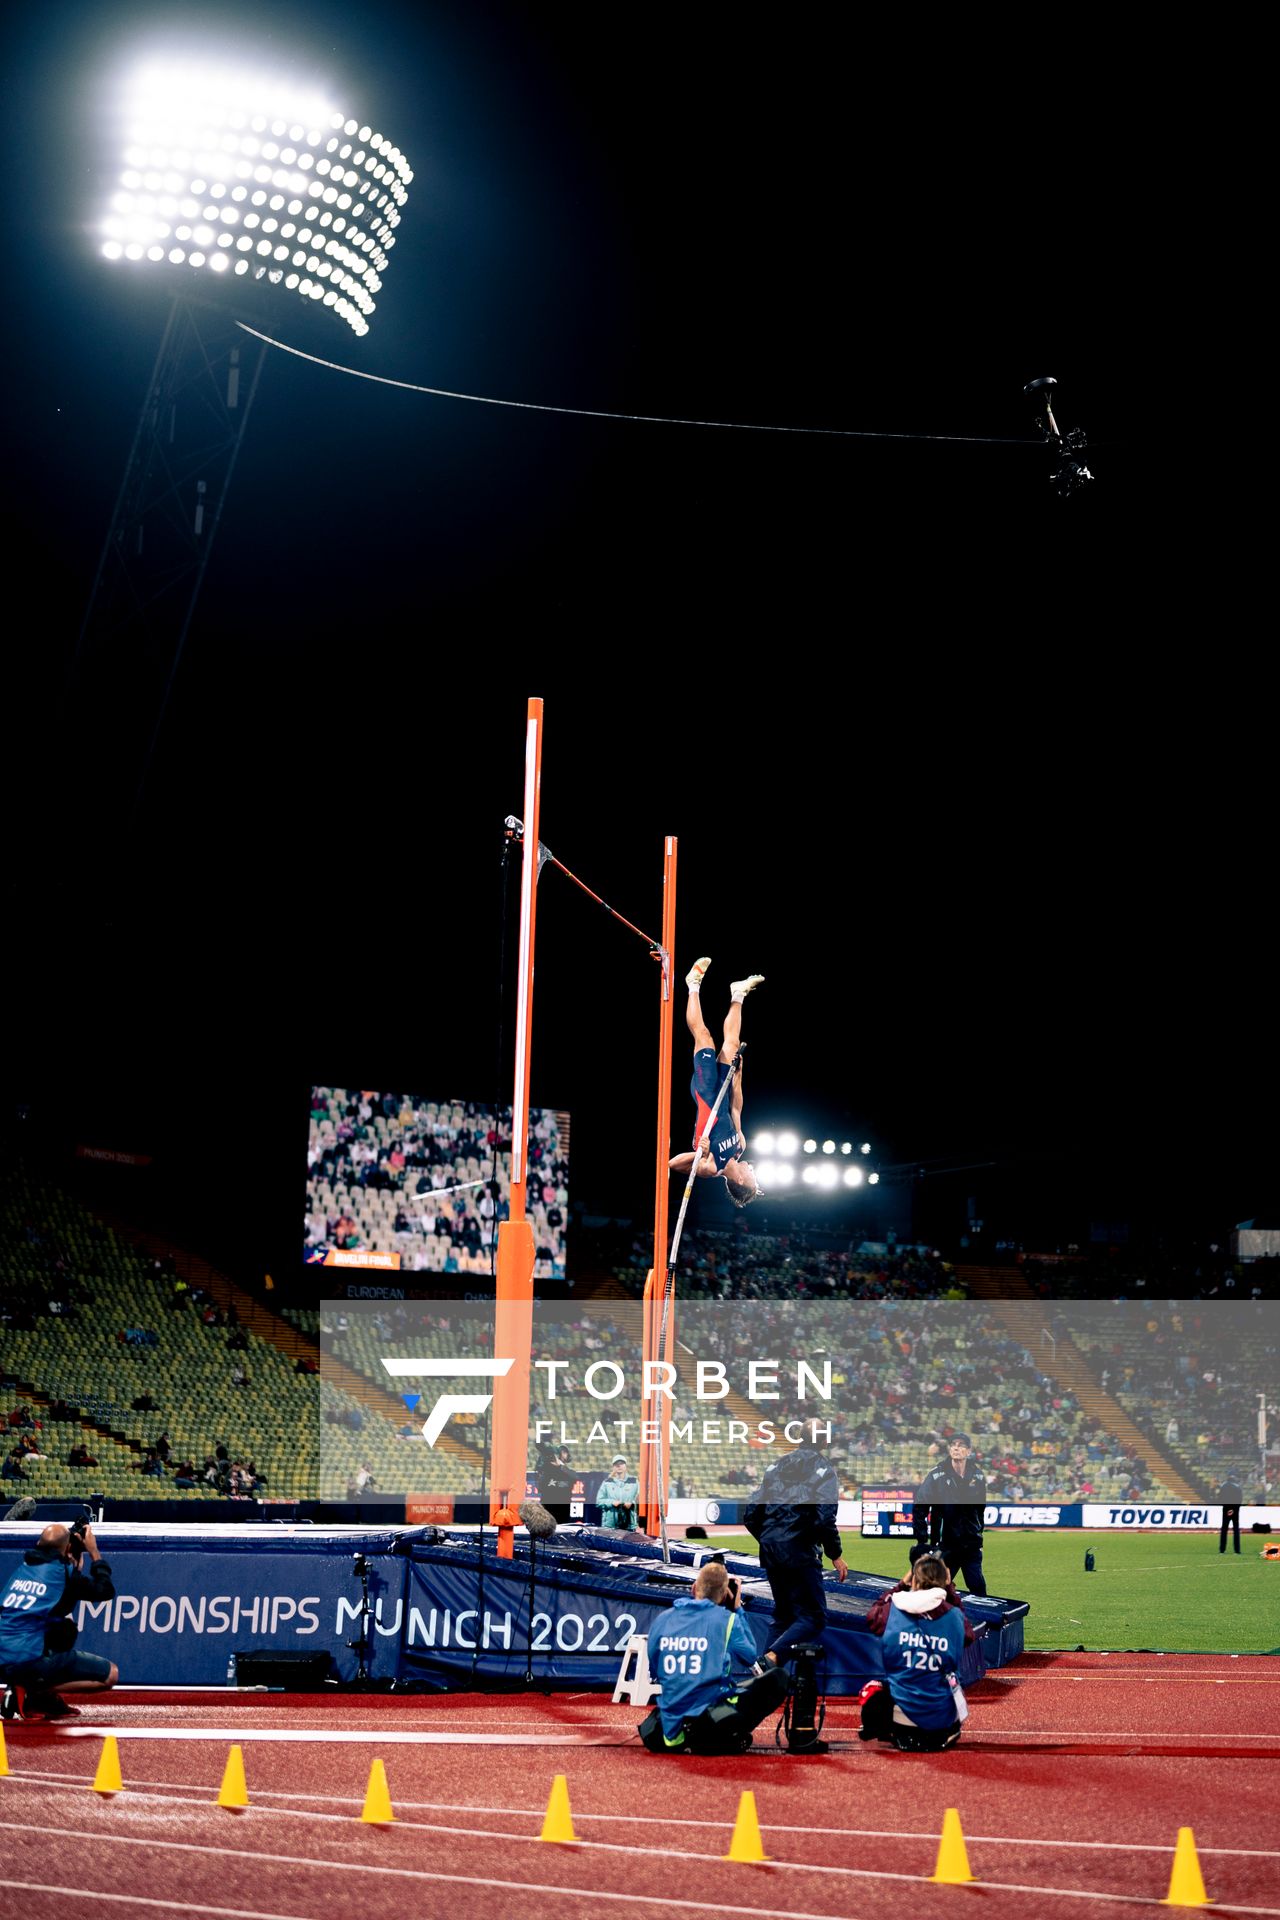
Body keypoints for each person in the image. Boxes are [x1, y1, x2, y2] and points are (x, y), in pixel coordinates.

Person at [639, 1561, 788, 1754]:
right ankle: (721, 1732)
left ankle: (677, 1734)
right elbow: (750, 1657)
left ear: (694, 1588)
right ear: (725, 1594)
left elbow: (653, 1663)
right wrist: (738, 1610)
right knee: (778, 1678)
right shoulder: (727, 1620)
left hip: (672, 1711)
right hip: (710, 1712)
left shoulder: (663, 1619)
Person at [743, 1436, 849, 1672]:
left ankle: (763, 1679)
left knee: (783, 1616)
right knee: (814, 1617)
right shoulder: (824, 1471)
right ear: (824, 1442)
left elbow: (750, 1513)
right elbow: (824, 1517)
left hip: (771, 1550)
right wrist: (835, 1554)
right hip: (800, 1552)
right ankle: (770, 1660)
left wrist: (770, 1538)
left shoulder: (776, 1466)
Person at [668, 958, 764, 1208]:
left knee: (704, 1037)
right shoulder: (740, 1147)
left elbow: (673, 1164)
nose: (753, 1170)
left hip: (706, 1092)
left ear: (741, 1180)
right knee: (731, 1045)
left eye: (752, 1176)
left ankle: (693, 984)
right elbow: (735, 1109)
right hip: (724, 1091)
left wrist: (701, 1151)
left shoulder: (712, 1167)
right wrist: (739, 1077)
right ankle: (739, 993)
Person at [0, 1521, 118, 1722]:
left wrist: (74, 1557)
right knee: (111, 1676)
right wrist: (94, 1551)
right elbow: (104, 1591)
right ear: (68, 1547)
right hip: (28, 1658)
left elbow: (62, 1604)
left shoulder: (25, 1568)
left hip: (4, 1659)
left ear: (39, 1543)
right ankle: (34, 1690)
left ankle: (34, 1691)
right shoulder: (63, 1574)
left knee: (65, 1630)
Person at [857, 1553, 966, 1751]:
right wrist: (950, 1590)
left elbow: (873, 1616)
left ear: (913, 1580)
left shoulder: (890, 1611)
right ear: (945, 1580)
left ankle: (880, 1727)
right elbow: (967, 1635)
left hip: (904, 1723)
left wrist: (900, 1584)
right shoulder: (955, 1616)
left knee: (874, 1689)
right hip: (941, 1721)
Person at [911, 1432, 988, 1595]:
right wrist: (922, 1540)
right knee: (934, 1589)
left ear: (969, 1451)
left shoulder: (978, 1476)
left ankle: (985, 1621)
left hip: (971, 1545)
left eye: (961, 1445)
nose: (956, 1448)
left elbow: (980, 1509)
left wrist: (978, 1533)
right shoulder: (936, 1475)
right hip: (945, 1545)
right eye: (953, 1445)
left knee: (978, 1587)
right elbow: (920, 1507)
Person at [539, 1444, 580, 1524]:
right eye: (559, 1452)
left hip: (562, 1511)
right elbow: (541, 1486)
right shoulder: (547, 1470)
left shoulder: (567, 1472)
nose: (561, 1455)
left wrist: (561, 1466)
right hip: (548, 1510)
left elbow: (574, 1478)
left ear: (568, 1456)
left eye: (564, 1452)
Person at [598, 1454, 639, 1529]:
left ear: (625, 1466)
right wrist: (611, 1503)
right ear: (613, 1467)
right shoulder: (607, 1482)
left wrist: (632, 1504)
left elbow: (640, 1500)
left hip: (628, 1523)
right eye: (616, 1464)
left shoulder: (634, 1482)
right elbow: (599, 1502)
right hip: (610, 1525)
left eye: (621, 1464)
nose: (619, 1466)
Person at [1217, 1476, 1243, 1554]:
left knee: (1224, 1529)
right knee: (1236, 1529)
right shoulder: (1237, 1487)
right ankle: (1237, 1550)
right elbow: (1240, 1499)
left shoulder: (1223, 1486)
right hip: (1235, 1509)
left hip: (1226, 1508)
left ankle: (1222, 1549)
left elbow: (1220, 1498)